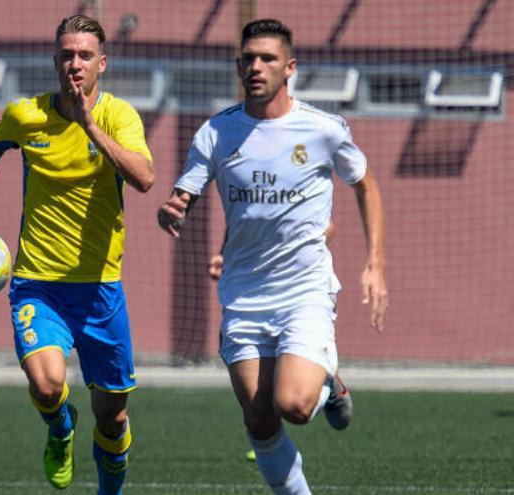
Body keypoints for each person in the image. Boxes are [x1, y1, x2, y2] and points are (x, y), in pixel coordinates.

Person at [158, 19, 387, 494]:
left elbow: (365, 184)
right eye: (248, 59)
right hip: (243, 295)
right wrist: (173, 208)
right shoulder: (216, 133)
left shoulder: (322, 130)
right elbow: (185, 192)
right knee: (260, 422)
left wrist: (375, 264)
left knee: (296, 406)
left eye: (267, 58)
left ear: (290, 68)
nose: (255, 67)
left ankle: (329, 382)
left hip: (304, 290)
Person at [0, 14, 153, 494]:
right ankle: (59, 428)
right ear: (55, 60)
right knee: (48, 384)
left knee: (114, 417)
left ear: (102, 63)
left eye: (84, 56)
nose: (74, 64)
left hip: (101, 289)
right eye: (65, 54)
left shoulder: (120, 116)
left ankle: (108, 490)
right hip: (38, 283)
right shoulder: (26, 114)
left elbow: (144, 179)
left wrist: (90, 127)